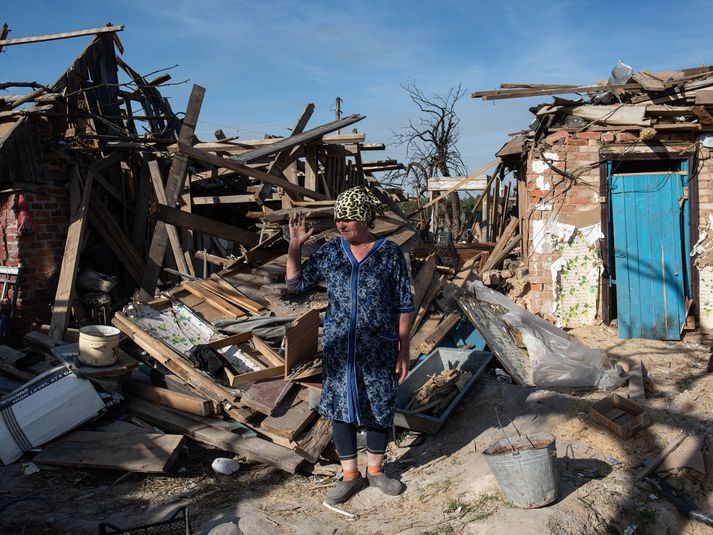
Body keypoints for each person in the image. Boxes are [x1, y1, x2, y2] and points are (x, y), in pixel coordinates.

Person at [286, 186, 415, 505]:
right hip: (339, 348)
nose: (341, 224)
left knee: (378, 406)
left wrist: (403, 349)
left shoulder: (388, 253)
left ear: (365, 219)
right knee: (340, 409)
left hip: (379, 347)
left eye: (348, 218)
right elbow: (295, 285)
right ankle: (349, 476)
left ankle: (376, 471)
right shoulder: (331, 252)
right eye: (338, 219)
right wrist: (295, 247)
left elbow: (404, 304)